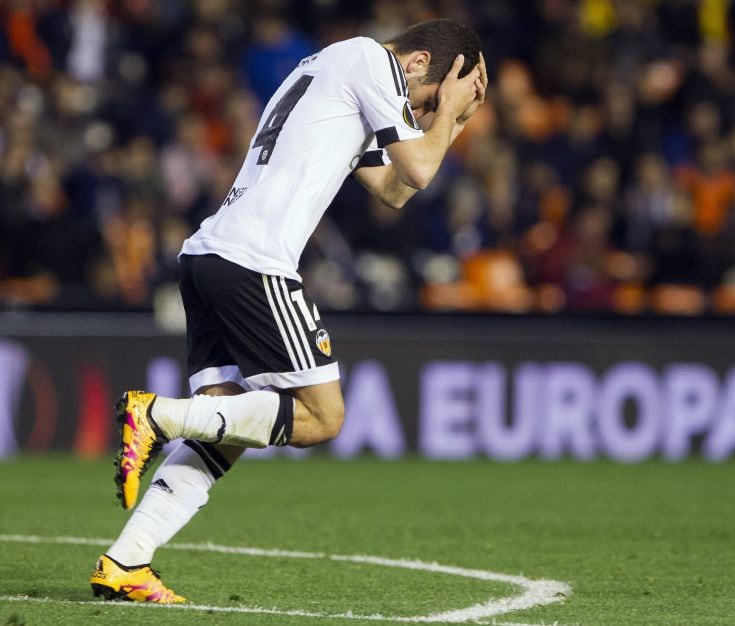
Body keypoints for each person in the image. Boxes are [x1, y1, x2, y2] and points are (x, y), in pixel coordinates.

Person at [89, 18, 486, 603]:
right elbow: (421, 169)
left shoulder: (335, 69)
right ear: (421, 61)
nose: (424, 112)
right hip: (254, 261)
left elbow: (396, 191)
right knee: (323, 418)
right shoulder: (371, 62)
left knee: (221, 432)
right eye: (428, 99)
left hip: (209, 258)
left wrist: (451, 119)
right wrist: (448, 113)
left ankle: (125, 562)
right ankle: (158, 416)